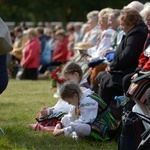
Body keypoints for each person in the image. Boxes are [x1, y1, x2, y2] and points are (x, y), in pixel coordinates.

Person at [96, 8, 148, 107]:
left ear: (131, 24)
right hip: (125, 69)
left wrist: (112, 67)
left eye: (123, 25)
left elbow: (127, 56)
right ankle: (105, 110)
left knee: (107, 79)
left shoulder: (137, 34)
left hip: (130, 71)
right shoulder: (134, 32)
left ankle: (102, 112)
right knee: (102, 76)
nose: (121, 28)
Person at [53, 82, 117, 140]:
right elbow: (71, 115)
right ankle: (74, 133)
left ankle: (95, 136)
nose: (69, 104)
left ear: (75, 96)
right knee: (68, 120)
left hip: (105, 127)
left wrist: (63, 131)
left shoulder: (87, 101)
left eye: (69, 102)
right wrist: (59, 125)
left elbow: (84, 120)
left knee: (79, 128)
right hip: (92, 122)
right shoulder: (81, 97)